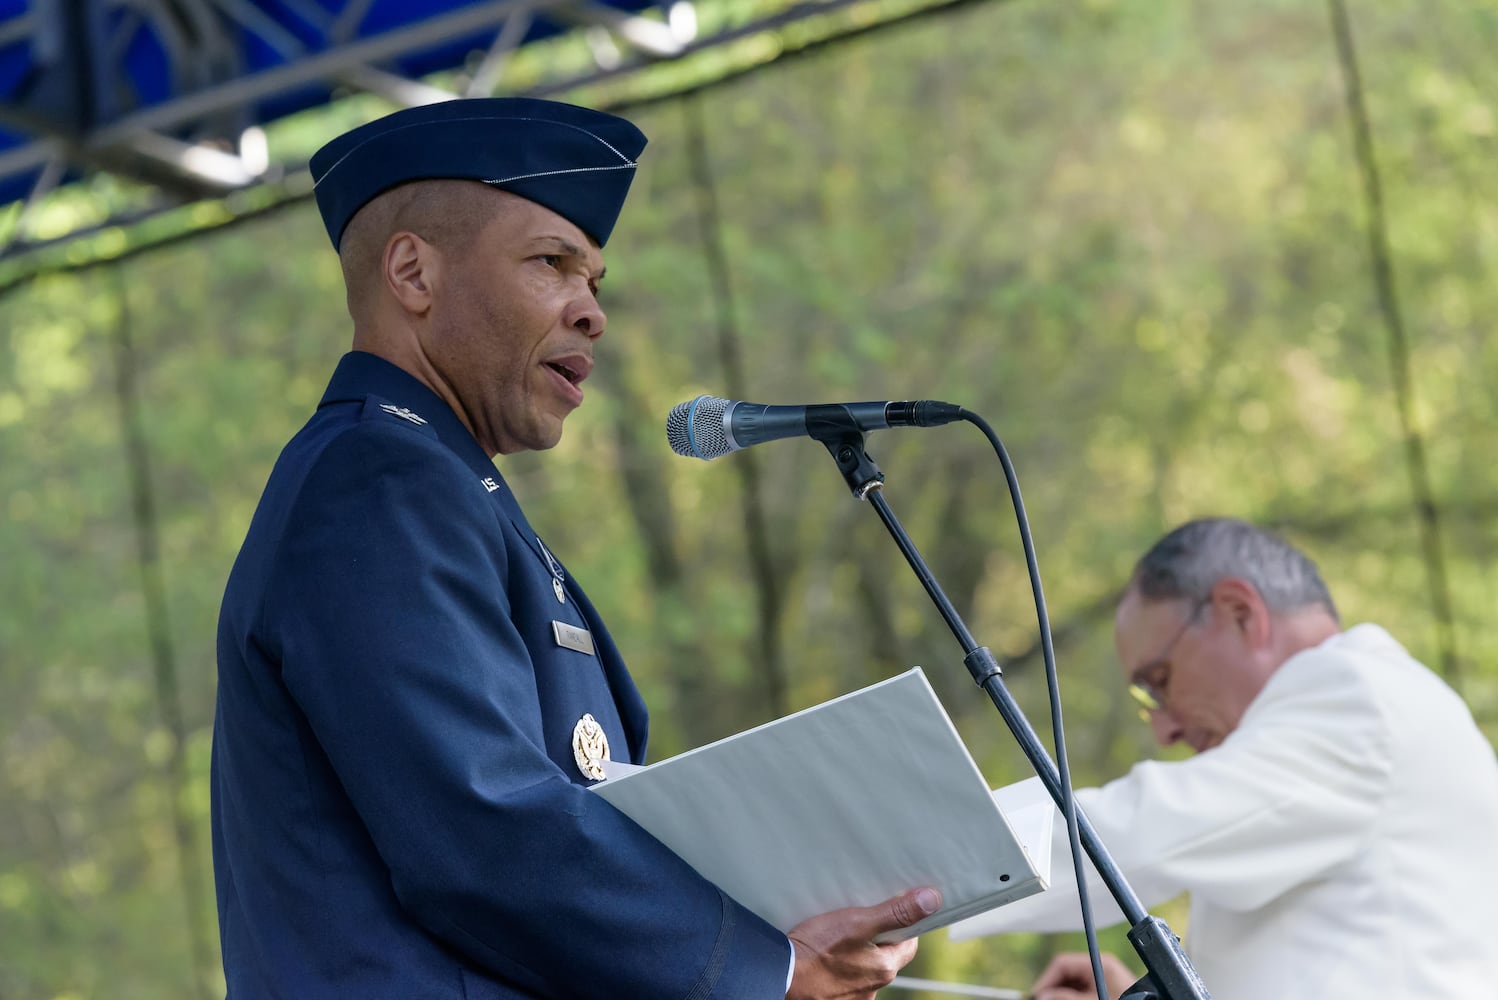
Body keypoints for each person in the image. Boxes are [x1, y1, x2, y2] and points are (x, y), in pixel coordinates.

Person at [211, 97, 939, 999]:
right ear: (412, 273)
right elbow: (481, 830)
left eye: (595, 281)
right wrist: (769, 970)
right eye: (552, 263)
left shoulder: (437, 478)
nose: (591, 312)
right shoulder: (377, 481)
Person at [951, 517, 1498, 999]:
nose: (1164, 729)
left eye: (1158, 684)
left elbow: (1142, 834)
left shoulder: (1358, 700)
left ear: (1239, 613)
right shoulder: (1380, 710)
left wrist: (911, 857)